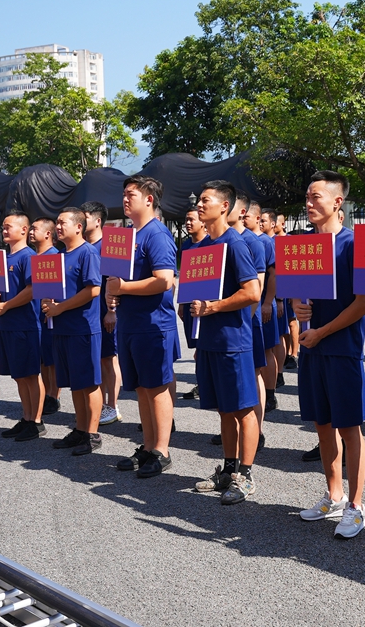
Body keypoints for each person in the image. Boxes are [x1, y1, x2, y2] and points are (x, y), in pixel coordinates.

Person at [294, 171, 365, 539]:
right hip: (312, 350)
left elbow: (363, 304)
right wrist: (298, 306)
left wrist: (322, 331)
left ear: (338, 202)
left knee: (349, 428)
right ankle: (334, 495)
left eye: (316, 198)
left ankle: (357, 506)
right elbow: (297, 296)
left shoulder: (354, 245)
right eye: (307, 198)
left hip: (341, 350)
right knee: (322, 426)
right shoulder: (304, 244)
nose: (309, 204)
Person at [190, 181, 263, 505]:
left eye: (206, 200)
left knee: (244, 410)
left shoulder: (234, 244)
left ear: (224, 206)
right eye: (199, 200)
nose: (200, 205)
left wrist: (213, 307)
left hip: (234, 341)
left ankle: (245, 475)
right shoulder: (205, 247)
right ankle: (228, 468)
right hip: (211, 341)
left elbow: (252, 292)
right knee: (225, 410)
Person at [108, 176, 179, 478]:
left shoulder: (156, 234)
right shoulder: (128, 234)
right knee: (140, 389)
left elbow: (164, 279)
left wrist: (123, 287)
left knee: (156, 387)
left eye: (131, 194)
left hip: (152, 324)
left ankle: (162, 451)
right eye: (124, 194)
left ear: (149, 199)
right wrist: (114, 294)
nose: (125, 199)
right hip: (130, 324)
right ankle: (148, 446)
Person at [46, 208, 104, 456]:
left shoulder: (87, 253)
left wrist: (60, 308)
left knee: (89, 383)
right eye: (57, 223)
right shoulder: (59, 256)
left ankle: (92, 434)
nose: (58, 227)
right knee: (75, 385)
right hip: (63, 330)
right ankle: (80, 429)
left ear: (79, 227)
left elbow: (93, 290)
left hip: (83, 329)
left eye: (62, 223)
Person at [0, 212, 45, 441]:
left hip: (25, 324)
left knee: (31, 375)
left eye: (9, 226)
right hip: (8, 325)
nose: (4, 230)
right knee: (19, 376)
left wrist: (6, 306)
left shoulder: (29, 257)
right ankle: (26, 417)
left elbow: (32, 290)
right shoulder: (3, 258)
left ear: (24, 230)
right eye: (3, 227)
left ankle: (37, 421)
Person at [234, 196, 274, 447]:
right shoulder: (221, 241)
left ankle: (255, 430)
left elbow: (257, 286)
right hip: (231, 321)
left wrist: (266, 304)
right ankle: (235, 427)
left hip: (249, 320)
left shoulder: (253, 242)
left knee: (254, 373)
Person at [79, 201, 122, 426]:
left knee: (108, 359)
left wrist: (112, 311)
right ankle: (103, 404)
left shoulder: (109, 245)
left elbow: (114, 281)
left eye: (84, 216)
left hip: (106, 313)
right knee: (98, 360)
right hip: (89, 315)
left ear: (97, 221)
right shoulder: (84, 247)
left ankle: (113, 406)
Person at [30, 218, 61, 416]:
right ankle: (46, 393)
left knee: (51, 360)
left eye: (35, 229)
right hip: (34, 317)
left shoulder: (55, 256)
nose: (31, 232)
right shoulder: (33, 256)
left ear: (48, 234)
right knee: (42, 359)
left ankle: (53, 396)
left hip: (50, 317)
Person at [179, 207, 208, 399]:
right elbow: (184, 276)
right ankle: (201, 383)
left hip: (206, 304)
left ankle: (206, 384)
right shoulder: (186, 245)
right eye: (186, 220)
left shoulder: (211, 244)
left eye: (192, 219)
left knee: (204, 348)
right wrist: (181, 303)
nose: (188, 223)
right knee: (197, 348)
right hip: (190, 303)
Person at [259, 208, 287, 396]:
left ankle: (273, 386)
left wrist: (276, 300)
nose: (261, 224)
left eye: (263, 220)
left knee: (271, 344)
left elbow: (277, 274)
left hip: (268, 301)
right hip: (255, 304)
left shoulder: (268, 243)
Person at [276, 211, 300, 370]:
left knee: (291, 321)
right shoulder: (269, 240)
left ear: (283, 224)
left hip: (289, 288)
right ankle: (284, 353)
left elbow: (297, 267)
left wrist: (294, 291)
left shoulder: (291, 241)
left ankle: (294, 354)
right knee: (281, 324)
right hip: (276, 287)